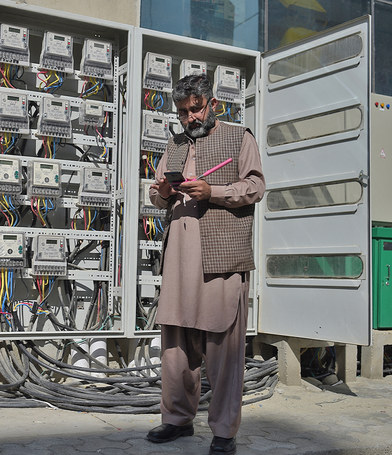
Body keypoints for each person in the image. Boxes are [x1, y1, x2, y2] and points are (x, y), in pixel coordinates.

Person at [146, 74, 265, 455]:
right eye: (183, 112)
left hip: (221, 256)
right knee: (176, 345)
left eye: (195, 109)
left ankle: (224, 431)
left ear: (212, 104)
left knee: (223, 347)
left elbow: (255, 187)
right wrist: (163, 192)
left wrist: (213, 191)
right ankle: (177, 420)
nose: (189, 118)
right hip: (178, 259)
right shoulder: (175, 144)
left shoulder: (239, 137)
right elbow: (156, 196)